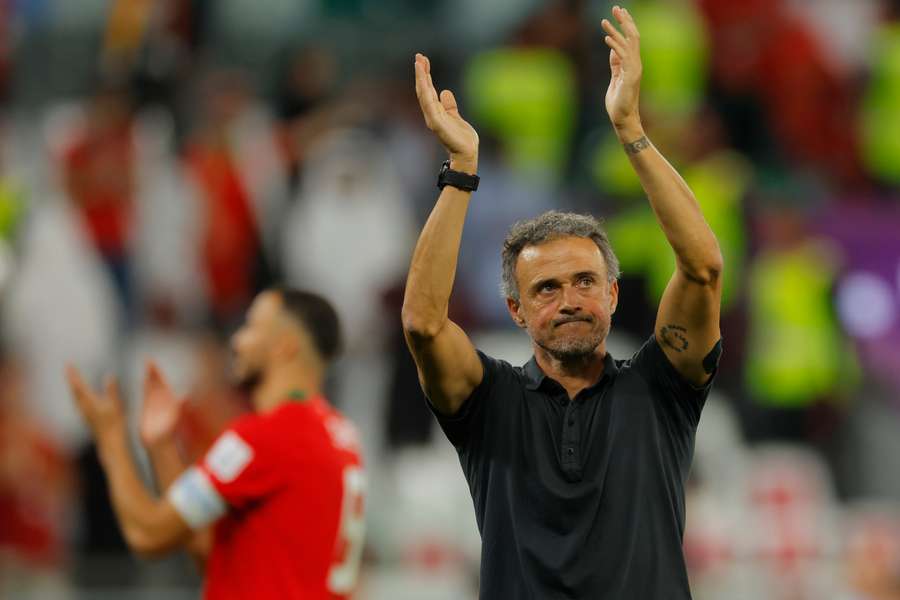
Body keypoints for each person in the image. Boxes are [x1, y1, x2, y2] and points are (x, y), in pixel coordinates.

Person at [402, 6, 723, 599]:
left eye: (584, 281)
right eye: (546, 289)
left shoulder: (661, 389)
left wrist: (630, 130)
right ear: (516, 311)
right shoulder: (487, 402)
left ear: (614, 293)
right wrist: (462, 172)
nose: (570, 299)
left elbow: (702, 269)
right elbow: (423, 323)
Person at [66, 288, 366, 599]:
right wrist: (162, 446)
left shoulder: (266, 437)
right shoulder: (341, 436)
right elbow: (217, 557)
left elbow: (146, 533)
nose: (237, 341)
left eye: (252, 327)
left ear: (284, 346)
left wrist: (111, 436)